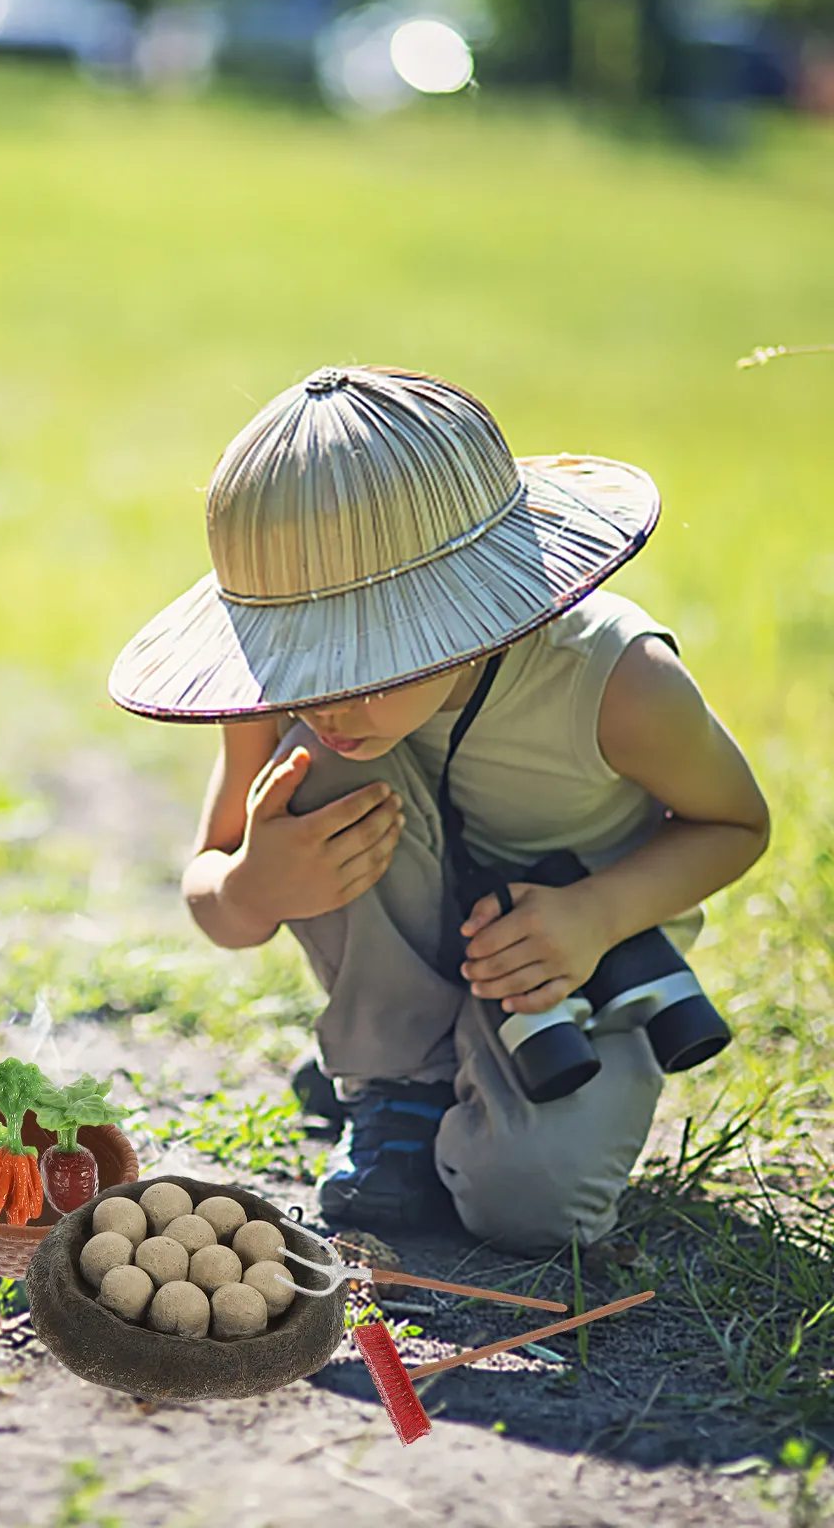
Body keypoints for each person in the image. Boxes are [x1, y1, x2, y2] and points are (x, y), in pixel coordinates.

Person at [108, 365, 768, 1255]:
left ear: (460, 610)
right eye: (300, 659)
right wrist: (257, 885)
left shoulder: (619, 680)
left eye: (359, 658)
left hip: (569, 954)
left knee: (533, 1210)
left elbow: (737, 824)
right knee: (310, 773)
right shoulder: (291, 707)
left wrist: (596, 915)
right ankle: (400, 1083)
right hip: (410, 932)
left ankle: (447, 1063)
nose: (326, 699)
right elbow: (214, 894)